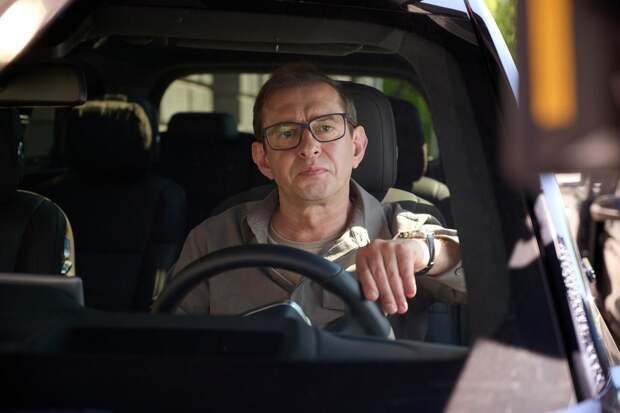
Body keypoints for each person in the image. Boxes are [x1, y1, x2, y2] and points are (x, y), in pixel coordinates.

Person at [169, 63, 464, 328]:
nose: (309, 147)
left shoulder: (402, 227)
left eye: (325, 127)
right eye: (286, 133)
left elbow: (485, 276)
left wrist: (427, 253)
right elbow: (164, 341)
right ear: (263, 159)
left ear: (357, 147)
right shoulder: (213, 239)